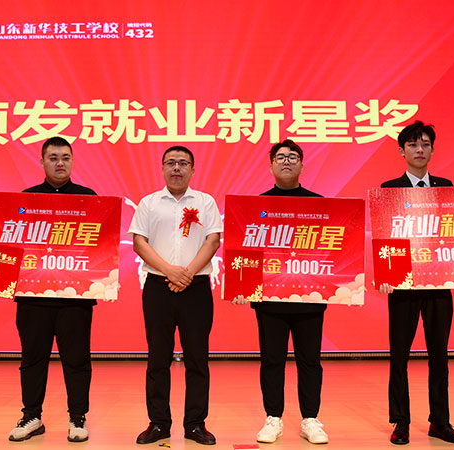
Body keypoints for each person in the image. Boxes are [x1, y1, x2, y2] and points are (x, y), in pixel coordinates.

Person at [0, 136, 97, 443]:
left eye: (66, 157)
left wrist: (105, 277)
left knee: (77, 359)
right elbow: (9, 243)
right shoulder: (25, 200)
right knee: (32, 359)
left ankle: (77, 417)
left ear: (73, 161)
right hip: (33, 297)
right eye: (53, 158)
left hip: (74, 298)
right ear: (42, 162)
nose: (60, 163)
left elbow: (99, 248)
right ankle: (32, 416)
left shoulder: (89, 198)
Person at [234, 139, 329, 444]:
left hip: (310, 299)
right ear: (271, 165)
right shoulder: (257, 205)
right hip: (270, 300)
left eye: (292, 157)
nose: (286, 161)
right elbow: (246, 248)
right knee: (271, 360)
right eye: (280, 157)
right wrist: (241, 285)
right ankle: (273, 418)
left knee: (310, 361)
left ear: (302, 164)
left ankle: (310, 419)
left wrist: (345, 287)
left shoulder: (320, 203)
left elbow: (332, 251)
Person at [378, 121, 454, 445]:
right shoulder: (390, 189)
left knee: (439, 355)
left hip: (438, 285)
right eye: (413, 145)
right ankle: (401, 421)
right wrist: (385, 275)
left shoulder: (446, 187)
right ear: (401, 151)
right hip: (402, 285)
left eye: (425, 144)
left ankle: (440, 422)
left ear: (432, 150)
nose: (419, 150)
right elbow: (385, 235)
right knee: (399, 355)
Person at [129, 146, 223, 446]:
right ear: (162, 168)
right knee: (158, 358)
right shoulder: (148, 203)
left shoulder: (206, 202)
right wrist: (170, 271)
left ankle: (195, 424)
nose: (177, 168)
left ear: (193, 170)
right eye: (171, 163)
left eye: (183, 163)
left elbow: (213, 240)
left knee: (197, 358)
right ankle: (158, 423)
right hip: (158, 288)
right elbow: (139, 243)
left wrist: (187, 274)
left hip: (196, 288)